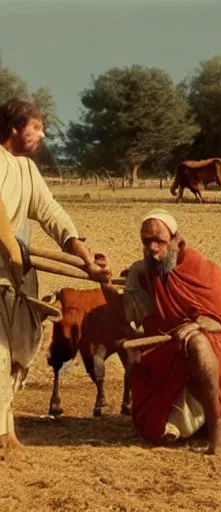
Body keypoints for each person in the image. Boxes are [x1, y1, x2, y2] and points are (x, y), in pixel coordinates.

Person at [0, 98, 111, 456]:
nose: (42, 134)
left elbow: (51, 213)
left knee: (19, 352)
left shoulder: (27, 171)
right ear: (15, 128)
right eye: (36, 127)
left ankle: (4, 431)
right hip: (5, 271)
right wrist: (14, 252)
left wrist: (84, 255)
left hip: (16, 275)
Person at [118, 208, 221, 454]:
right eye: (146, 241)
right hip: (164, 351)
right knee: (154, 430)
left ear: (176, 240)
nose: (153, 248)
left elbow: (220, 320)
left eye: (159, 241)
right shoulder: (144, 273)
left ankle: (217, 433)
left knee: (197, 343)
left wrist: (196, 326)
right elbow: (140, 322)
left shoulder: (201, 269)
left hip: (202, 349)